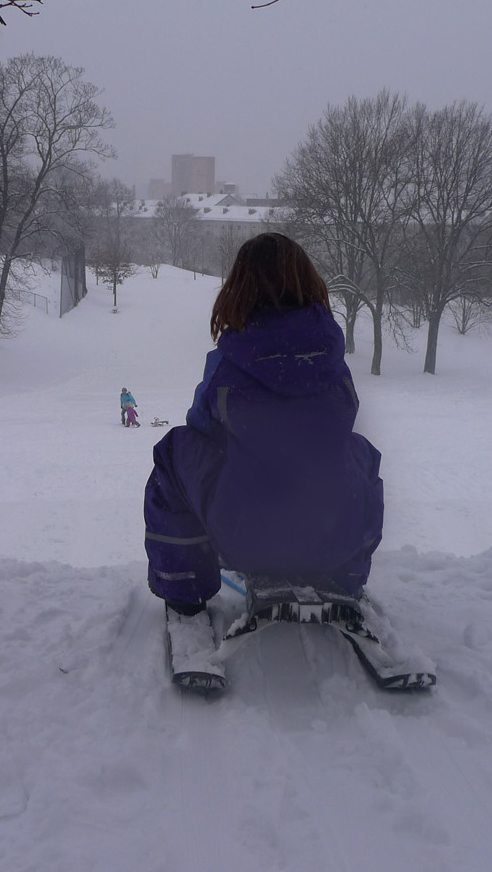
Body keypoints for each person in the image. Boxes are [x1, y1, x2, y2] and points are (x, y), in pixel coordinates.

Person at [143, 232, 383, 617]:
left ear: (240, 288)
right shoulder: (333, 363)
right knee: (363, 453)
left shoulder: (228, 363)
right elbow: (343, 420)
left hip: (244, 537)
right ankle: (348, 576)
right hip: (335, 533)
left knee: (174, 450)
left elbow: (200, 426)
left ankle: (183, 587)